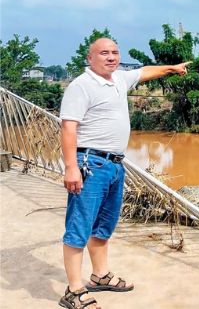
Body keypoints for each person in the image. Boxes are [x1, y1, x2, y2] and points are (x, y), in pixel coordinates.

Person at [58, 37, 190, 309]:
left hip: (115, 165)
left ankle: (100, 274)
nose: (111, 57)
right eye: (103, 53)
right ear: (90, 58)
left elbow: (145, 72)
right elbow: (68, 128)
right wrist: (71, 168)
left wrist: (172, 68)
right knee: (79, 228)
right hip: (90, 165)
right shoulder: (81, 86)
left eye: (115, 52)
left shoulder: (119, 79)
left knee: (104, 226)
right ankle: (73, 290)